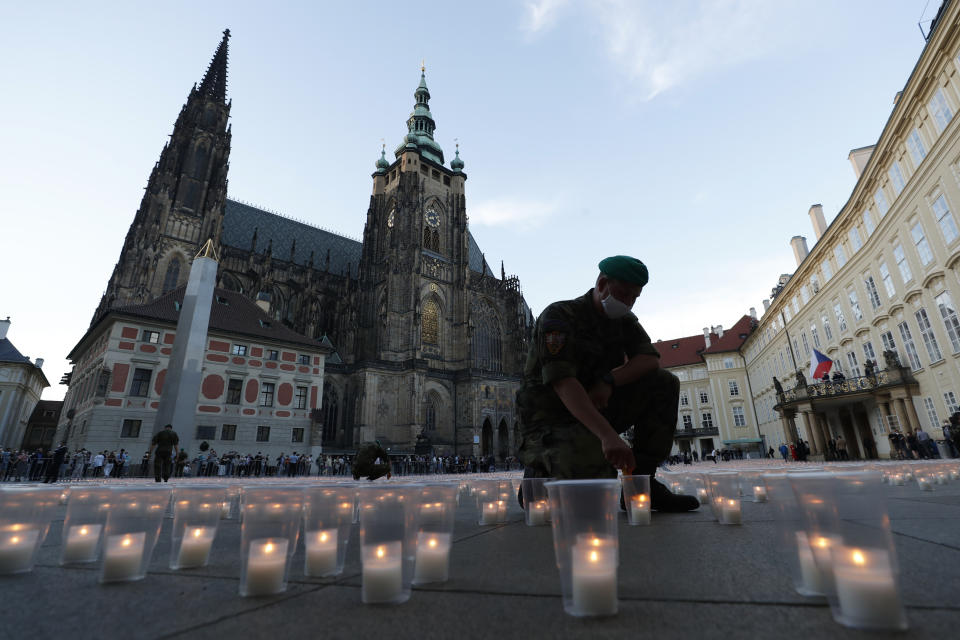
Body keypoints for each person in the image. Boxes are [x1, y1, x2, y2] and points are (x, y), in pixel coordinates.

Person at [517, 255, 697, 512]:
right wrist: (608, 436)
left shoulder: (623, 321)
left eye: (634, 297)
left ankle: (641, 486)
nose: (628, 303)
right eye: (623, 294)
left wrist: (609, 381)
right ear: (602, 284)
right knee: (584, 494)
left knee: (664, 383)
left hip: (595, 407)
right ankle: (539, 472)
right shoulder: (559, 316)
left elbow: (649, 360)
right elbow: (564, 383)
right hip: (551, 418)